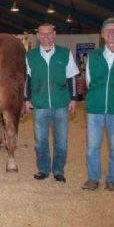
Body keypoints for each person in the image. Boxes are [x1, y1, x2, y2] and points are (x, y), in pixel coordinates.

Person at [24, 23, 79, 183]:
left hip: (61, 103)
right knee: (41, 141)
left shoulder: (65, 54)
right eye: (42, 34)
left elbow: (72, 78)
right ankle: (43, 169)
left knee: (61, 141)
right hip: (39, 104)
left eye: (48, 34)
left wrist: (74, 99)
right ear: (38, 36)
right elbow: (27, 79)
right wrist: (27, 99)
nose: (45, 37)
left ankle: (58, 170)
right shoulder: (30, 56)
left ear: (54, 35)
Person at [82, 18, 114, 191]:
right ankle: (93, 179)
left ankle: (112, 179)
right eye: (107, 30)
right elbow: (88, 81)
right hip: (95, 108)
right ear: (102, 34)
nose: (111, 33)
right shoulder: (94, 56)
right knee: (92, 147)